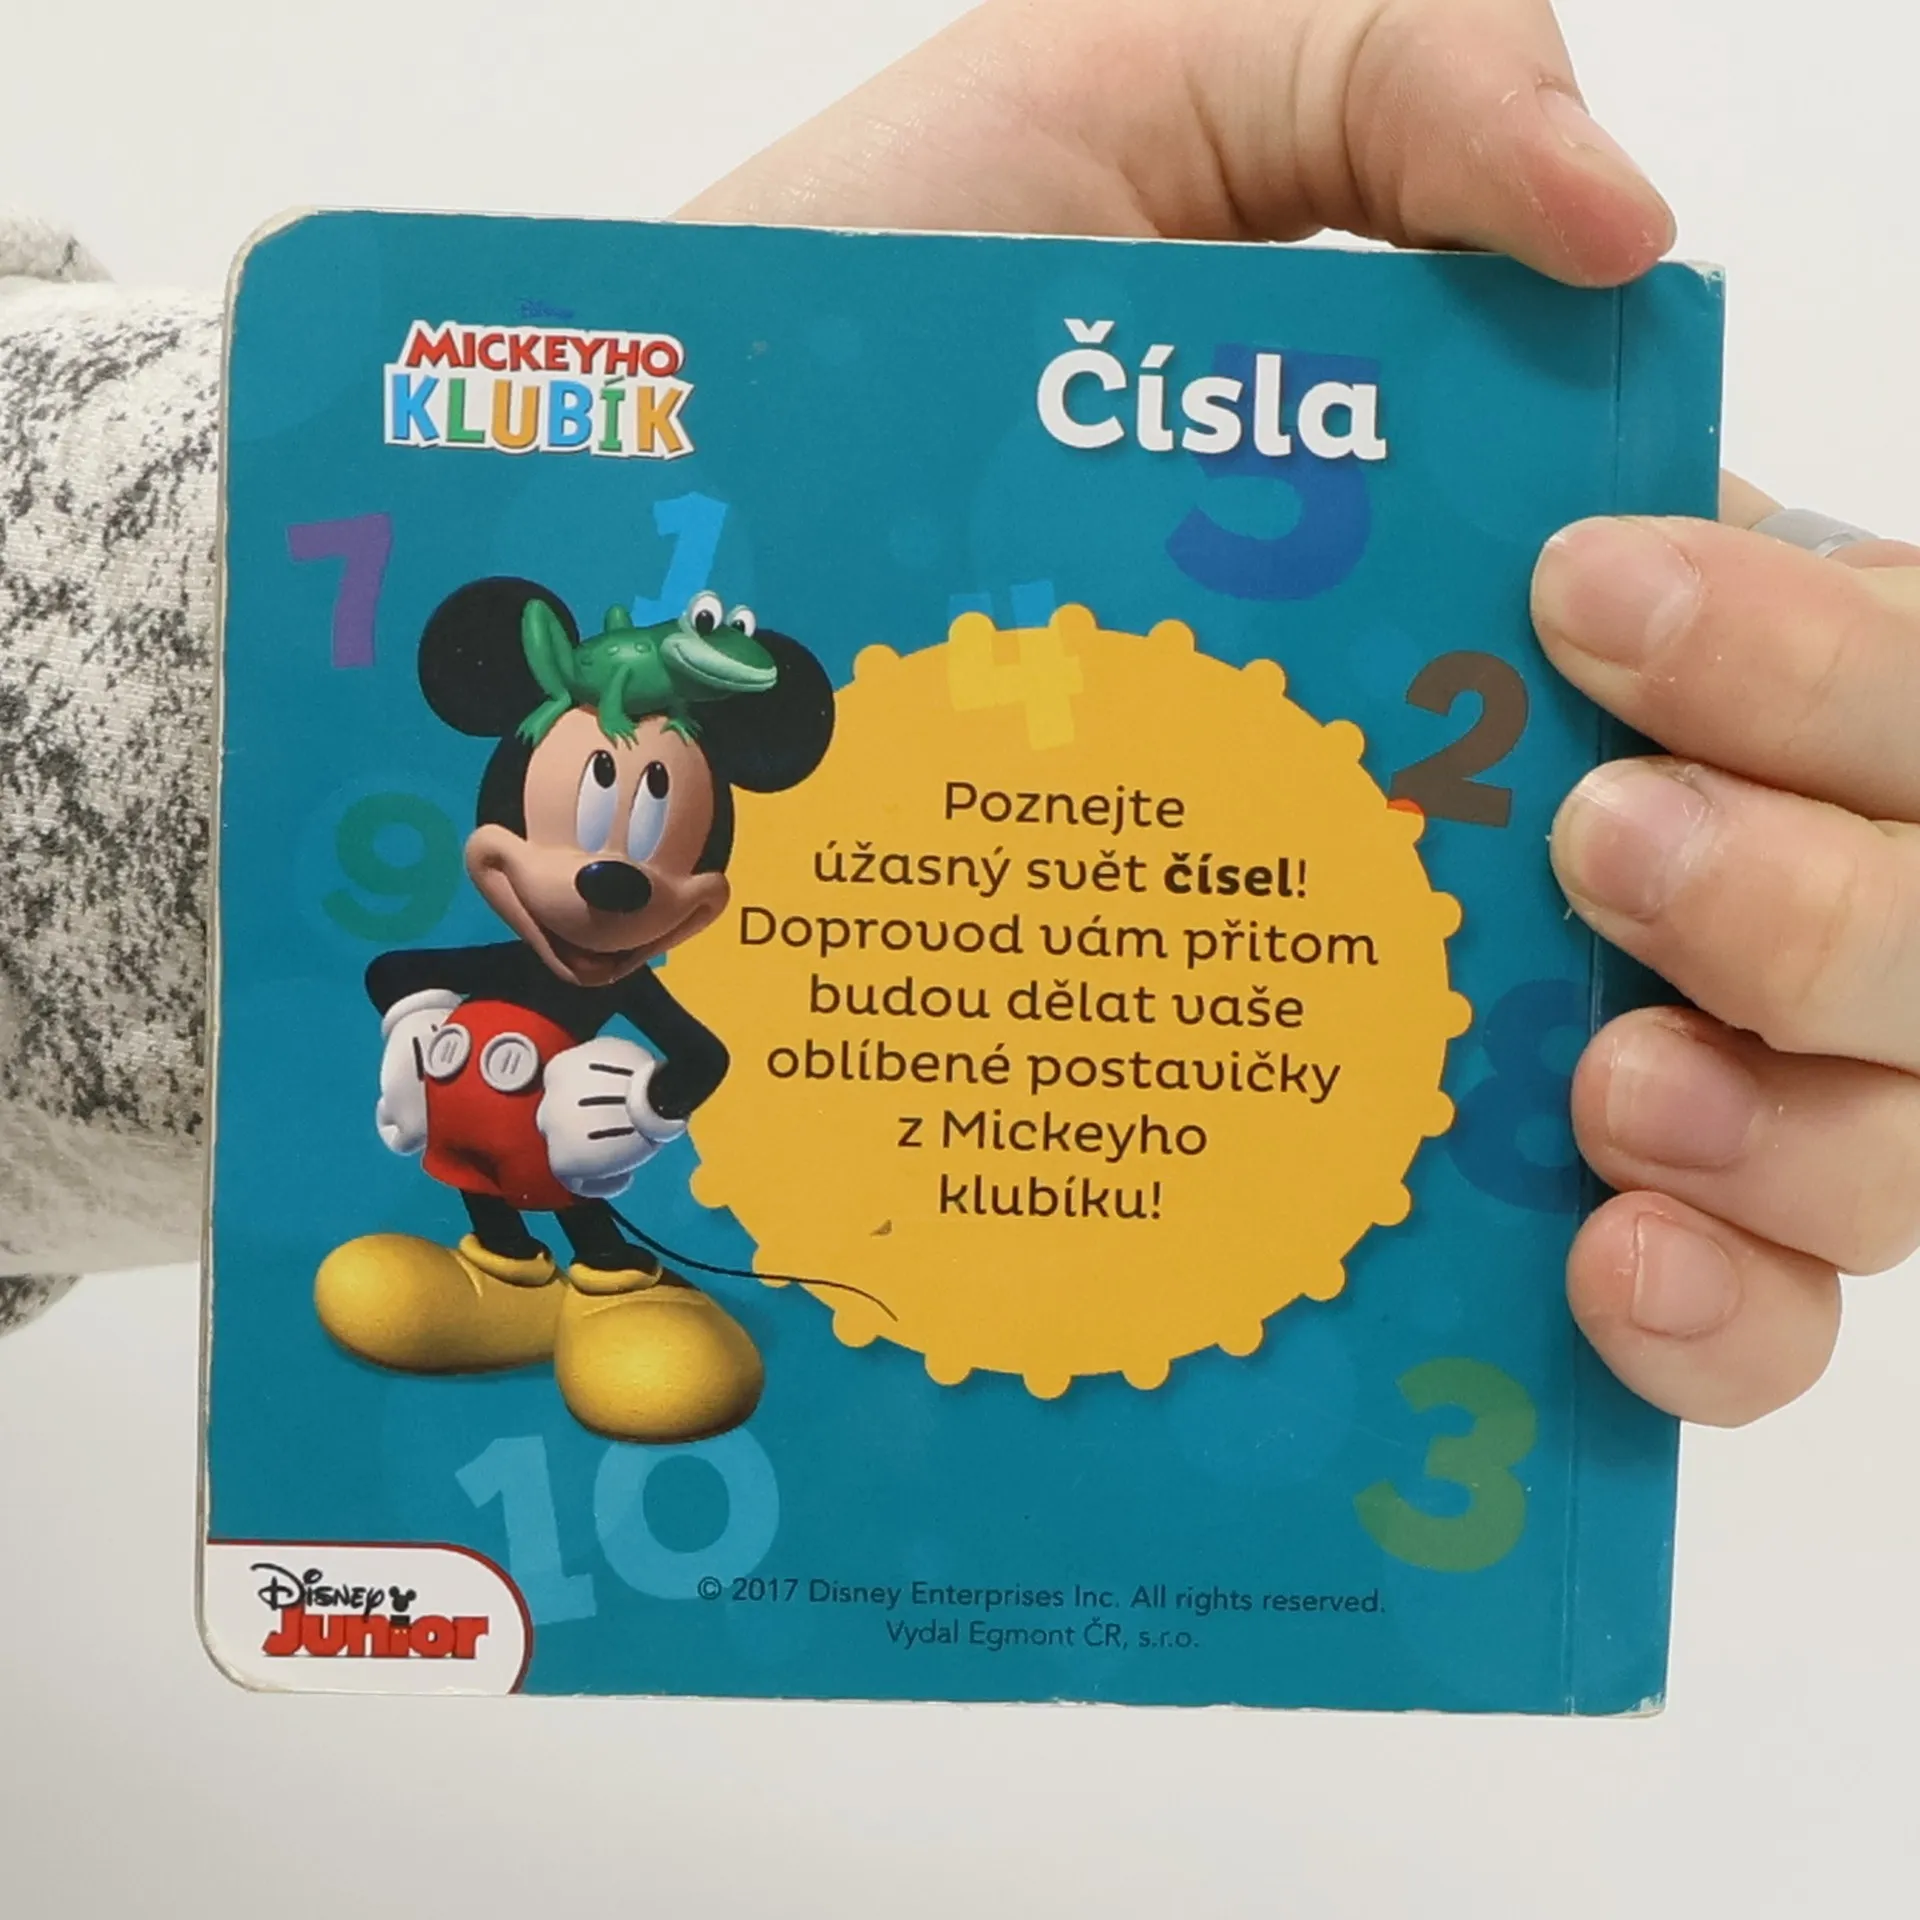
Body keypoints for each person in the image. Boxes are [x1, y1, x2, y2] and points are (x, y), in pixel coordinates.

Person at [3, 0, 1909, 1431]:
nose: (612, 874)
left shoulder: (685, 985)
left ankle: (603, 1291)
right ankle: (509, 1285)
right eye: (579, 817)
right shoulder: (499, 922)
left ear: (707, 886)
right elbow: (390, 979)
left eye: (654, 836)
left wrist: (624, 1097)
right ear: (498, 837)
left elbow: (694, 1067)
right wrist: (374, 980)